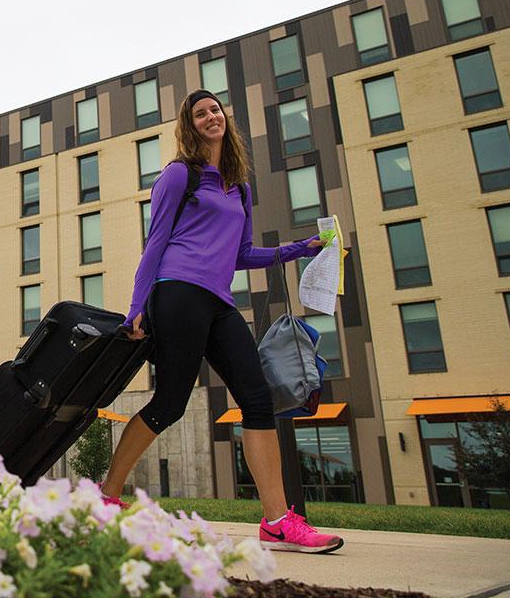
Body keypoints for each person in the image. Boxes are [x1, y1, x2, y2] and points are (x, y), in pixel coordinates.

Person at [103, 90, 344, 554]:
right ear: (190, 126)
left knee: (257, 398)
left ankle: (277, 521)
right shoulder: (180, 175)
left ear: (225, 119)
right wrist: (137, 308)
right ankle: (107, 494)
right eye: (200, 113)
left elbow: (241, 255)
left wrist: (300, 248)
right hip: (175, 292)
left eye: (215, 109)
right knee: (170, 402)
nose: (211, 116)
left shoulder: (239, 186)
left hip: (217, 299)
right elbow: (155, 243)